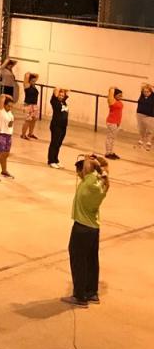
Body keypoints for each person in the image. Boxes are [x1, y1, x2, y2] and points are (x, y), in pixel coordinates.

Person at [62, 153, 110, 307]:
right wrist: (97, 162)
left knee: (78, 260)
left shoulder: (87, 184)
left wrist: (90, 160)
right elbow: (104, 169)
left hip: (81, 228)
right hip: (94, 228)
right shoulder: (101, 183)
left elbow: (88, 167)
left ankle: (80, 296)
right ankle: (92, 292)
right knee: (91, 260)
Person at [0, 95, 16, 181]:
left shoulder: (10, 113)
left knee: (5, 154)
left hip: (8, 136)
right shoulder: (0, 111)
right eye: (8, 106)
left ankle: (4, 171)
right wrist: (6, 96)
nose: (10, 108)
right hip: (0, 135)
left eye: (11, 106)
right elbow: (1, 97)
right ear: (4, 105)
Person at [48, 87, 70, 168]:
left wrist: (64, 92)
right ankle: (51, 161)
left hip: (63, 126)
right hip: (56, 125)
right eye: (60, 95)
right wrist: (61, 89)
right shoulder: (54, 101)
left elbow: (68, 91)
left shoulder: (63, 102)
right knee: (54, 143)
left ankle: (56, 159)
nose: (61, 96)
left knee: (59, 144)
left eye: (62, 96)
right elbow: (56, 89)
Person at [105, 87, 124, 159]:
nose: (121, 97)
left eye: (121, 95)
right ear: (114, 95)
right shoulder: (112, 101)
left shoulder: (119, 102)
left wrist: (118, 122)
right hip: (111, 122)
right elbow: (110, 94)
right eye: (119, 95)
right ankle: (108, 153)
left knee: (113, 138)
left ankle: (111, 152)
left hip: (116, 122)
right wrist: (112, 89)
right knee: (110, 137)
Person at [21, 72, 40, 140]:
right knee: (27, 120)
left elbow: (37, 75)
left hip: (34, 105)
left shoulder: (33, 86)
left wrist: (33, 76)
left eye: (34, 81)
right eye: (32, 81)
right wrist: (31, 74)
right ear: (29, 80)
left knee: (34, 120)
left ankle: (30, 133)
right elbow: (26, 74)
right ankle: (23, 135)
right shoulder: (27, 85)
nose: (34, 82)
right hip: (28, 105)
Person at [136, 84, 154, 152]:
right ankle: (141, 140)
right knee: (141, 128)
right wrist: (145, 86)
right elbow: (142, 86)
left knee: (150, 129)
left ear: (150, 92)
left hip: (150, 115)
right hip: (140, 114)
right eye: (144, 91)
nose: (145, 93)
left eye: (147, 91)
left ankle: (149, 142)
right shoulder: (142, 96)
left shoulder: (153, 96)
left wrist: (151, 86)